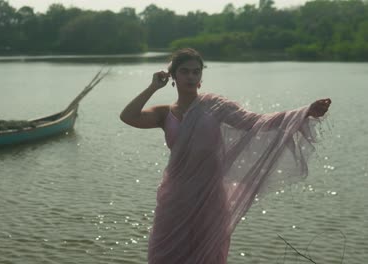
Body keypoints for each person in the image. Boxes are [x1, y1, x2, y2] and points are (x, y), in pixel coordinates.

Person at [120, 48, 331, 264]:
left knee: (207, 255)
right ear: (173, 76)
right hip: (176, 197)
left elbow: (256, 122)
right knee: (164, 253)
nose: (191, 77)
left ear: (201, 77)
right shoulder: (164, 113)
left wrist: (304, 112)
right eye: (185, 71)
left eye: (196, 72)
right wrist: (153, 87)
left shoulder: (215, 106)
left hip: (210, 196)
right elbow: (128, 116)